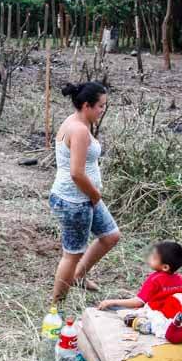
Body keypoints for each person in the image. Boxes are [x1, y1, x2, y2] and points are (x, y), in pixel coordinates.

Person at [49, 81, 120, 304]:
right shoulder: (79, 129)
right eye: (100, 106)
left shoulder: (77, 120)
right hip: (75, 202)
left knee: (110, 236)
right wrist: (95, 195)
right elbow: (77, 173)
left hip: (83, 197)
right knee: (71, 255)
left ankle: (79, 275)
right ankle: (56, 306)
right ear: (87, 105)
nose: (103, 110)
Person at [97, 241, 182, 311]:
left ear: (165, 267)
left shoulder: (154, 280)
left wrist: (112, 302)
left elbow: (139, 302)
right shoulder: (181, 280)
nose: (150, 258)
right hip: (172, 312)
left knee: (114, 309)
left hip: (154, 313)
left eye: (154, 258)